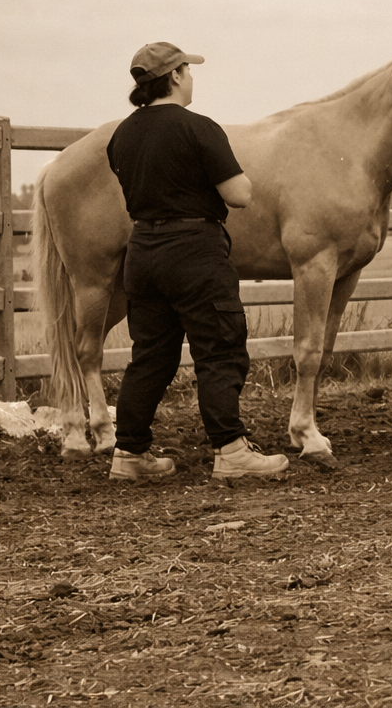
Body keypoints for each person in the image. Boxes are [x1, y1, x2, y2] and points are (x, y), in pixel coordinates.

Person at [104, 41, 288, 481]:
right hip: (195, 251)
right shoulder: (199, 128)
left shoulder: (121, 136)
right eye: (188, 70)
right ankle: (230, 451)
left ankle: (129, 454)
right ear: (174, 77)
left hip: (143, 250)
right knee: (220, 348)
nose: (192, 77)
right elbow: (239, 194)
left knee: (150, 356)